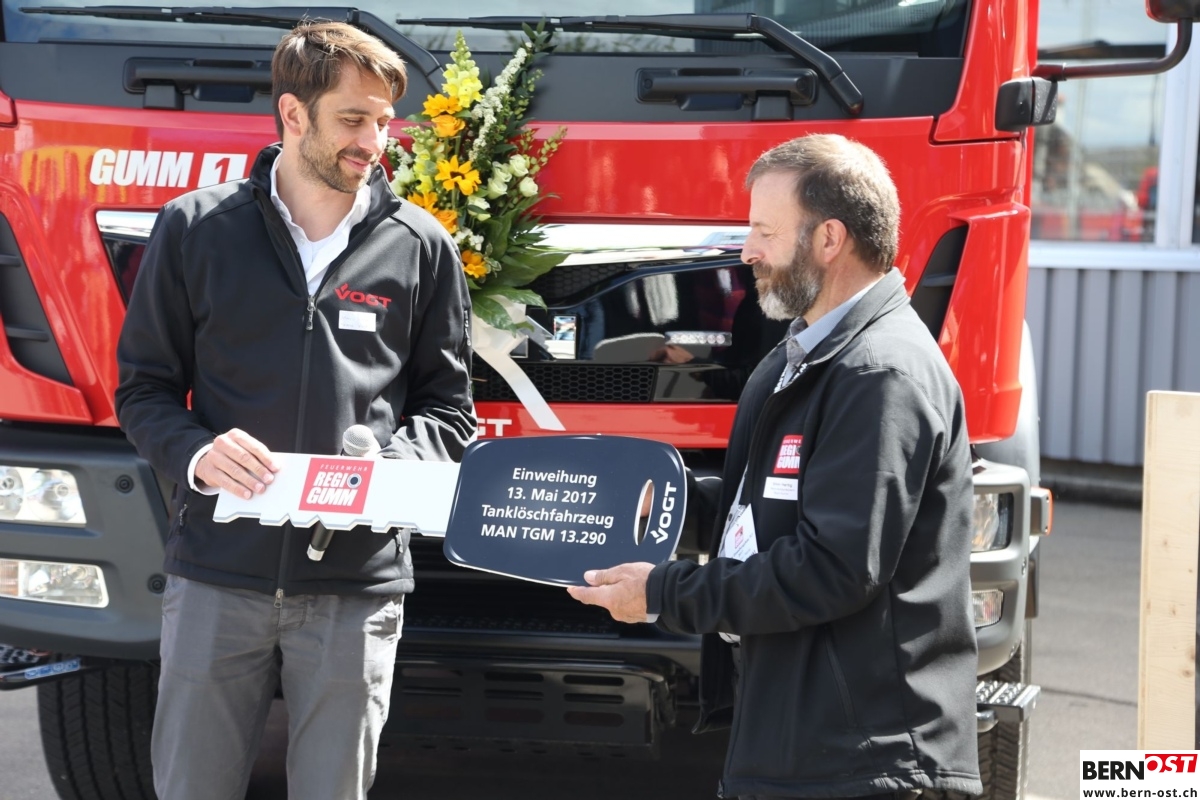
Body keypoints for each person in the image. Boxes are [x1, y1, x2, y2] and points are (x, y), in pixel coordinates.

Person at [114, 21, 475, 800]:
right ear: (293, 114)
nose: (374, 141)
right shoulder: (195, 229)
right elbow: (142, 389)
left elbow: (449, 410)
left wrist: (391, 473)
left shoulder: (420, 244)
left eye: (384, 121)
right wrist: (197, 454)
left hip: (357, 586)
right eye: (353, 119)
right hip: (217, 574)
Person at [569, 134, 981, 800]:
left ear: (829, 239)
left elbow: (831, 569)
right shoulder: (809, 355)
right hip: (813, 746)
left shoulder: (879, 375)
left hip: (865, 762)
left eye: (764, 231)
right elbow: (769, 513)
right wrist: (661, 501)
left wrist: (664, 593)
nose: (746, 251)